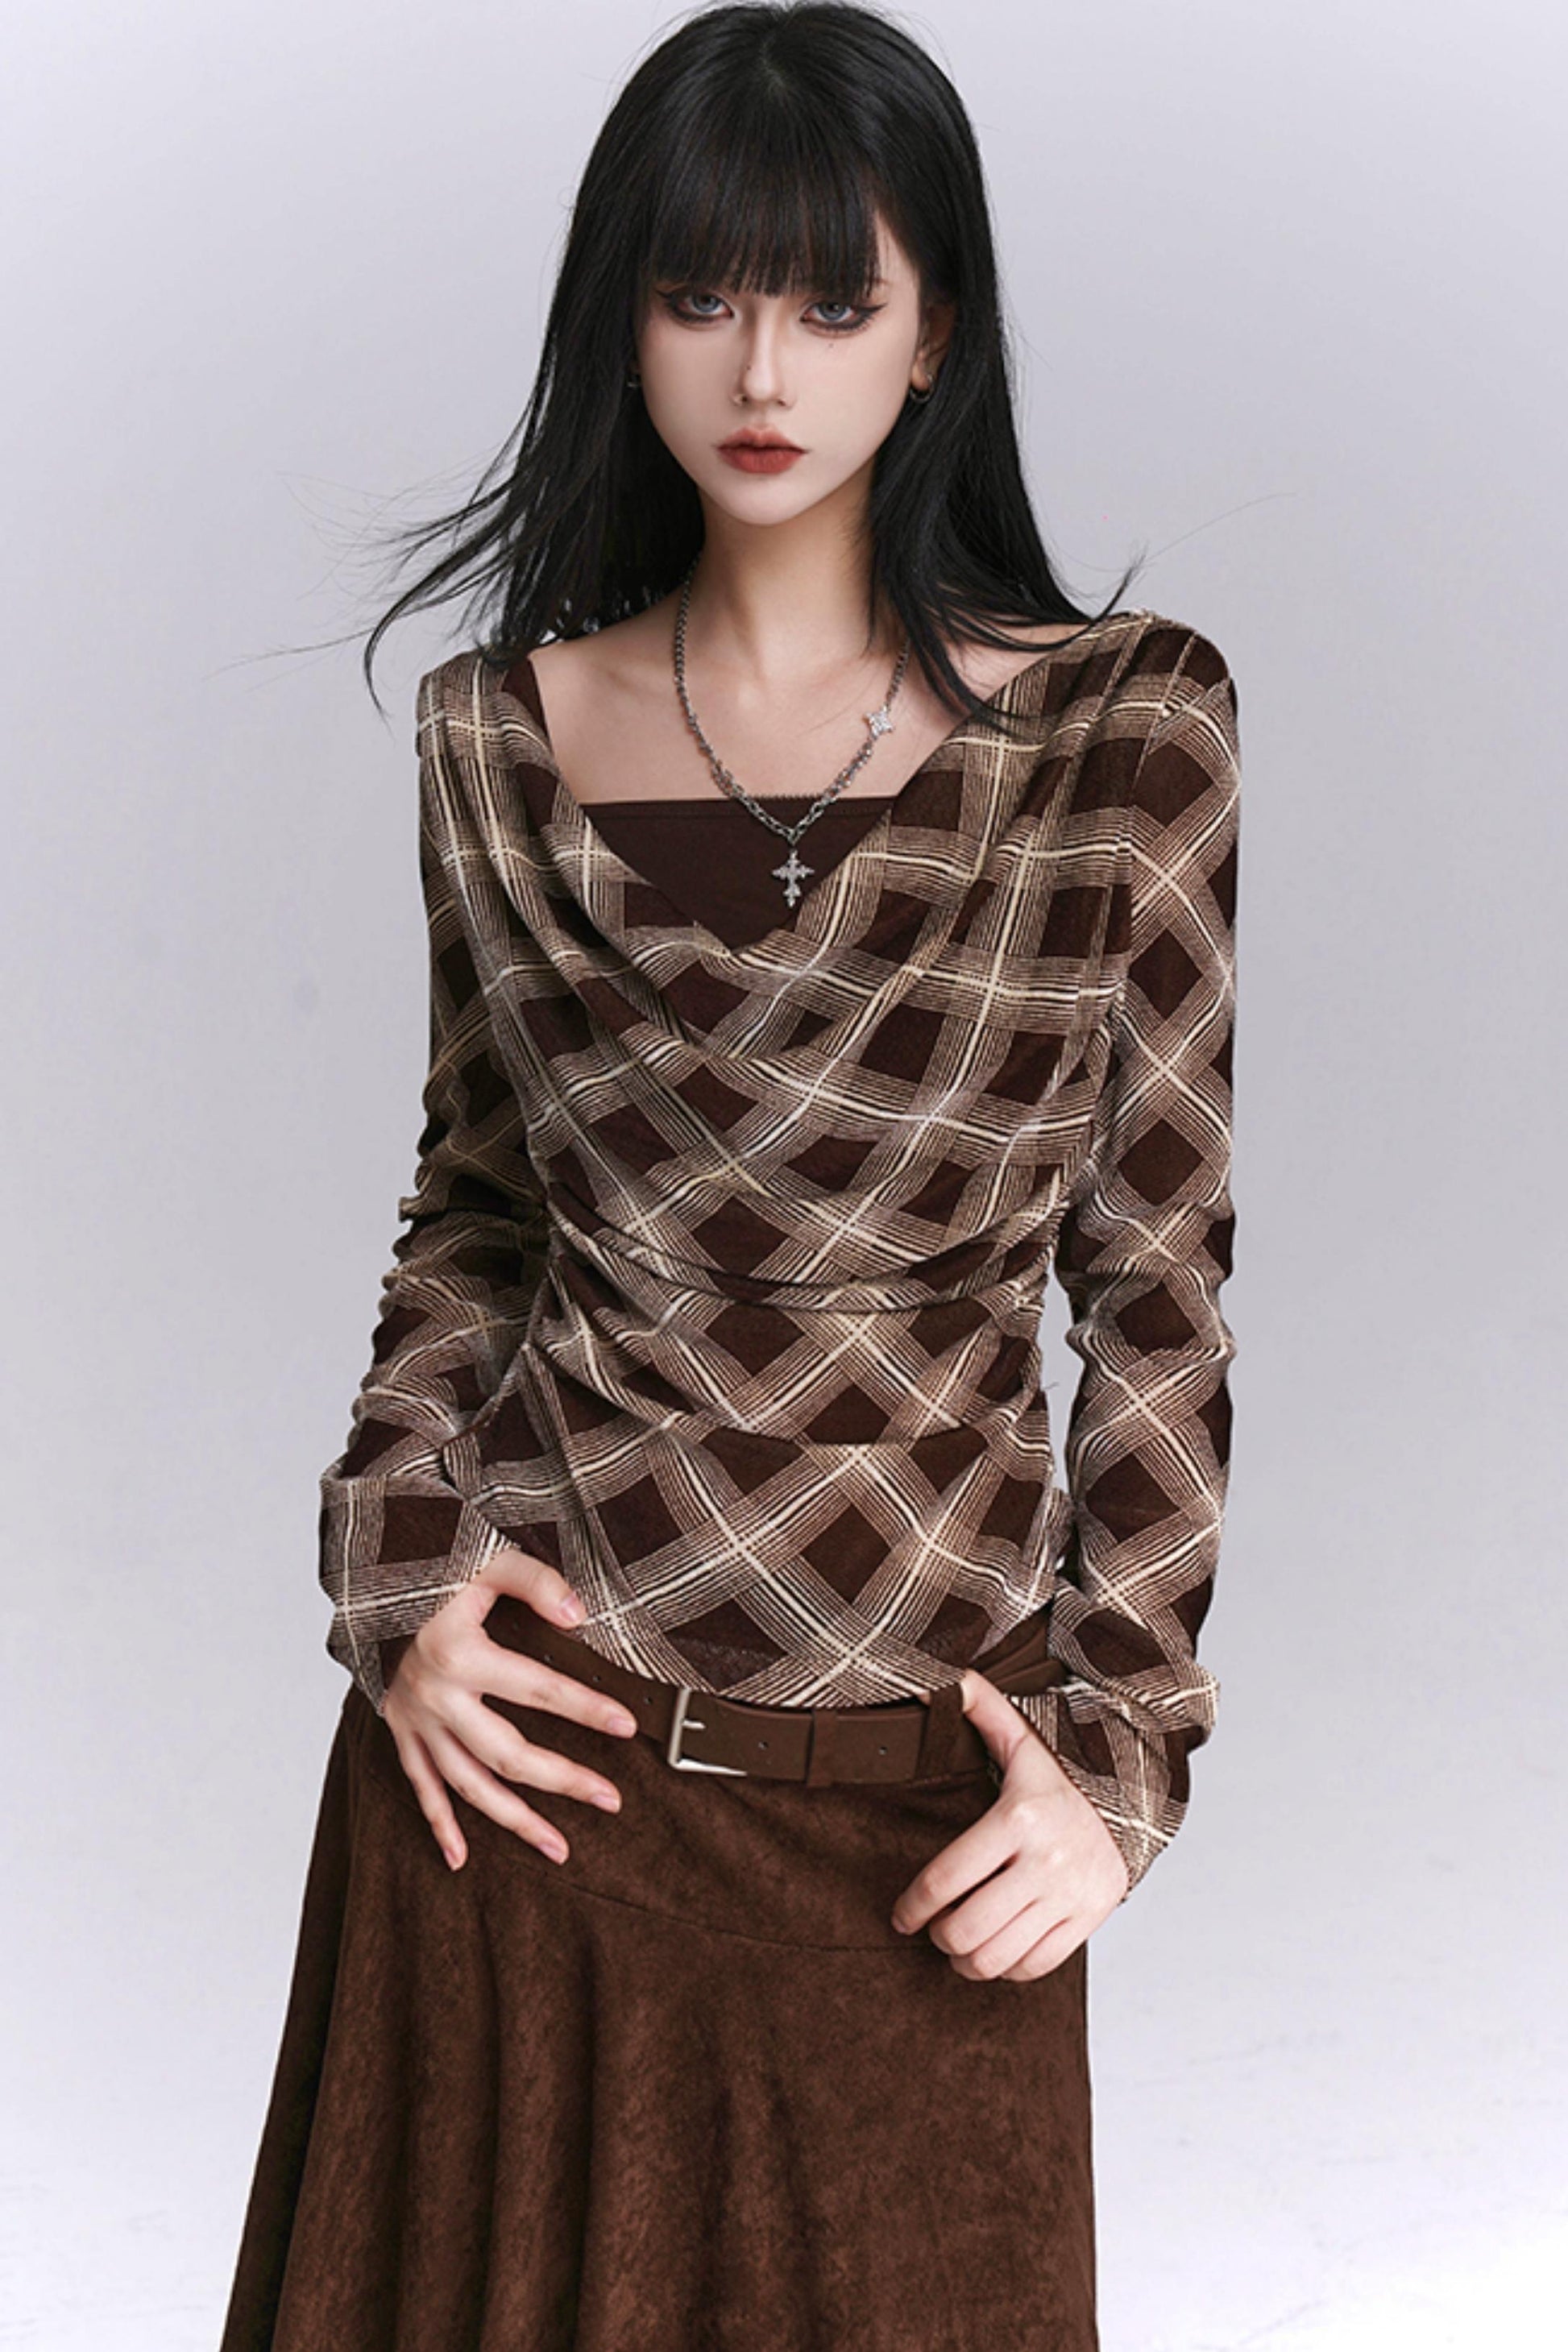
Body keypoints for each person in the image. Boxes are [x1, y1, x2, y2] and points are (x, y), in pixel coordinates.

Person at [218, 6, 1241, 2346]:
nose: (760, 368)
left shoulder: (1129, 730)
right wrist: (393, 1569)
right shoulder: (496, 738)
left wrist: (1121, 1763)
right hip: (532, 1801)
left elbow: (1158, 1276)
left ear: (934, 331)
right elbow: (480, 1215)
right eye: (697, 295)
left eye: (829, 299)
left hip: (922, 1818)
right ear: (624, 320)